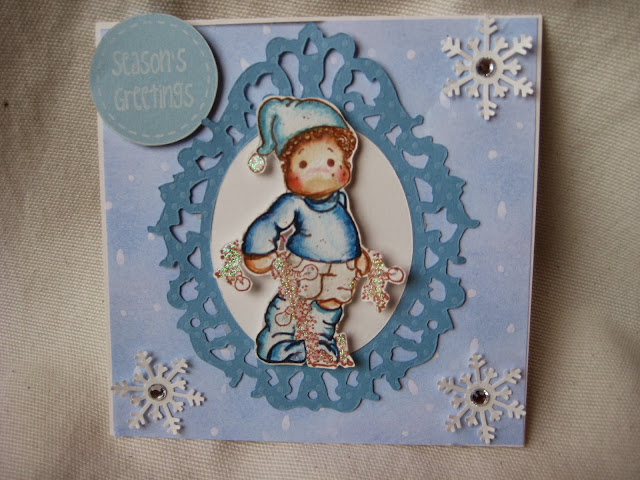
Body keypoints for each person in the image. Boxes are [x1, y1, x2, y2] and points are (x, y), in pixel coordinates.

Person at [242, 96, 370, 368]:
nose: (319, 171)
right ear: (286, 170)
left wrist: (358, 255)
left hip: (343, 266)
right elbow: (269, 223)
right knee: (294, 300)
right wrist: (258, 252)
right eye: (303, 165)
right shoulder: (294, 203)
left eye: (331, 162)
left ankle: (320, 340)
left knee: (332, 302)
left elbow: (346, 229)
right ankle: (277, 342)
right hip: (305, 263)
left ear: (346, 165)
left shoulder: (341, 199)